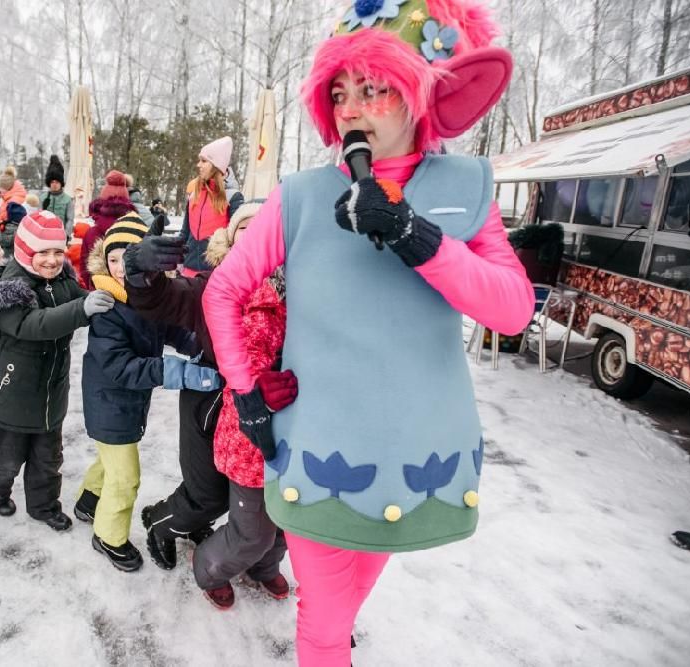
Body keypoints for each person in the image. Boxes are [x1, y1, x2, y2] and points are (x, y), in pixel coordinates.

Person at [202, 2, 533, 662]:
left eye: (373, 87)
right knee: (325, 624)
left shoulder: (467, 187)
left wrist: (414, 233)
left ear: (419, 92)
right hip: (320, 449)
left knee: (348, 600)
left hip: (417, 460)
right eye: (340, 92)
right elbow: (223, 290)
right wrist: (246, 394)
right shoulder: (298, 195)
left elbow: (514, 311)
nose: (352, 108)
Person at [73, 213, 210, 572]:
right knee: (125, 477)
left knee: (109, 460)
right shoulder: (107, 308)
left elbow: (169, 330)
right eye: (113, 259)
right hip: (109, 404)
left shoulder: (143, 301)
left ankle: (88, 500)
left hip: (126, 404)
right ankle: (108, 536)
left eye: (127, 258)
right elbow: (120, 366)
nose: (120, 268)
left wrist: (197, 343)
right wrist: (177, 371)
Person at [0, 210, 114, 530]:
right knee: (7, 456)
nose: (51, 260)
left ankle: (44, 505)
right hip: (15, 388)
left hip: (51, 389)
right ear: (25, 252)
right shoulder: (11, 287)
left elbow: (80, 299)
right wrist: (81, 309)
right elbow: (30, 324)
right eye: (43, 253)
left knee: (48, 457)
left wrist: (99, 301)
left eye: (57, 252)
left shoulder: (62, 279)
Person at [192, 201, 292, 609]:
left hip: (298, 422)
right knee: (253, 529)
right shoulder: (231, 291)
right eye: (244, 228)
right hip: (249, 428)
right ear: (231, 239)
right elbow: (234, 355)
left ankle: (264, 567)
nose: (254, 236)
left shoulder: (298, 283)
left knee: (289, 516)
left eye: (262, 228)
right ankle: (208, 567)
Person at [177, 136, 243, 277]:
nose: (198, 165)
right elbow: (184, 233)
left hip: (216, 275)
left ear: (216, 165)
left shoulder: (233, 196)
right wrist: (173, 258)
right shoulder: (194, 194)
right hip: (188, 271)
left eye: (204, 161)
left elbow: (239, 241)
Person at [79, 171, 135, 289]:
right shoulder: (134, 231)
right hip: (130, 293)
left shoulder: (91, 233)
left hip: (98, 295)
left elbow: (84, 270)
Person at [41, 156, 73, 236]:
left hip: (61, 235)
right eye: (52, 182)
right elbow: (38, 218)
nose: (54, 185)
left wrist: (66, 235)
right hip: (45, 235)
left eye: (57, 182)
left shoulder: (68, 199)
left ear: (61, 183)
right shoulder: (43, 198)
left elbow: (70, 219)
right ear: (49, 183)